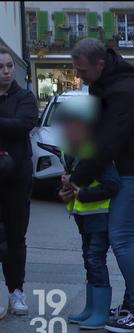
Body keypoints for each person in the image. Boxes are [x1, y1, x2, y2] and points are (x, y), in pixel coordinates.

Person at [68, 39, 134, 333]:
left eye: (82, 70)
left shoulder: (122, 91)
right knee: (126, 238)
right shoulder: (106, 84)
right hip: (130, 169)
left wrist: (76, 179)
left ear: (100, 64)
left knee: (121, 237)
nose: (78, 75)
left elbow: (106, 143)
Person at [57, 96, 119, 330]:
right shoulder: (74, 150)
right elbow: (71, 181)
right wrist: (64, 192)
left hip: (99, 216)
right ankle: (91, 308)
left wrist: (80, 194)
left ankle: (100, 312)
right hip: (84, 217)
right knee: (89, 260)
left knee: (95, 259)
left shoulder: (95, 153)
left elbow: (112, 186)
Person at [0, 47, 38, 317]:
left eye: (9, 66)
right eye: (1, 67)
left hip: (16, 179)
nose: (6, 71)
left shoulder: (25, 97)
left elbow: (23, 124)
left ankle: (16, 292)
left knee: (16, 237)